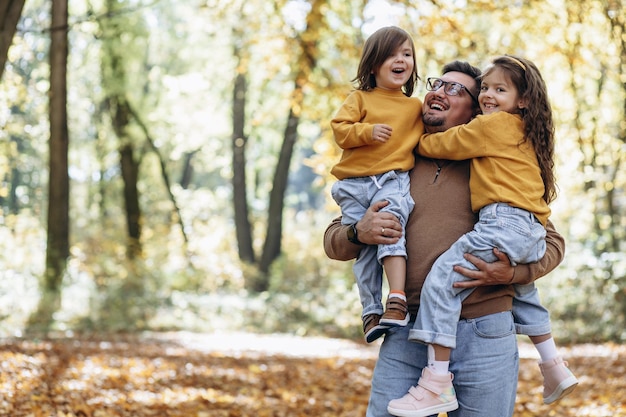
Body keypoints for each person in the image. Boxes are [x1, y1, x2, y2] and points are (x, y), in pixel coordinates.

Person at [324, 60, 566, 417]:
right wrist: (358, 232)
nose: (438, 91)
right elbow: (333, 240)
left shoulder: (497, 161)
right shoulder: (394, 162)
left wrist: (511, 275)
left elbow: (551, 242)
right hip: (408, 330)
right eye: (437, 84)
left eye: (456, 89)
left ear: (475, 110)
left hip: (485, 332)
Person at [387, 55, 578, 417]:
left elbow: (437, 145)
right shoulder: (518, 136)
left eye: (497, 90)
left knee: (442, 278)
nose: (490, 95)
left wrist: (512, 273)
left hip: (493, 281)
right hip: (521, 229)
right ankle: (553, 364)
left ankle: (435, 383)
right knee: (527, 294)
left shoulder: (489, 130)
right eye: (487, 88)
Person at [330, 26, 423, 343]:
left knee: (390, 228)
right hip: (354, 185)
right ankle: (370, 311)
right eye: (392, 55)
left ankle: (396, 299)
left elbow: (436, 138)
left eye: (407, 54)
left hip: (391, 180)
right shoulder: (359, 99)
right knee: (365, 249)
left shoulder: (415, 107)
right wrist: (366, 133)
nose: (401, 60)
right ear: (373, 65)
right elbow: (340, 130)